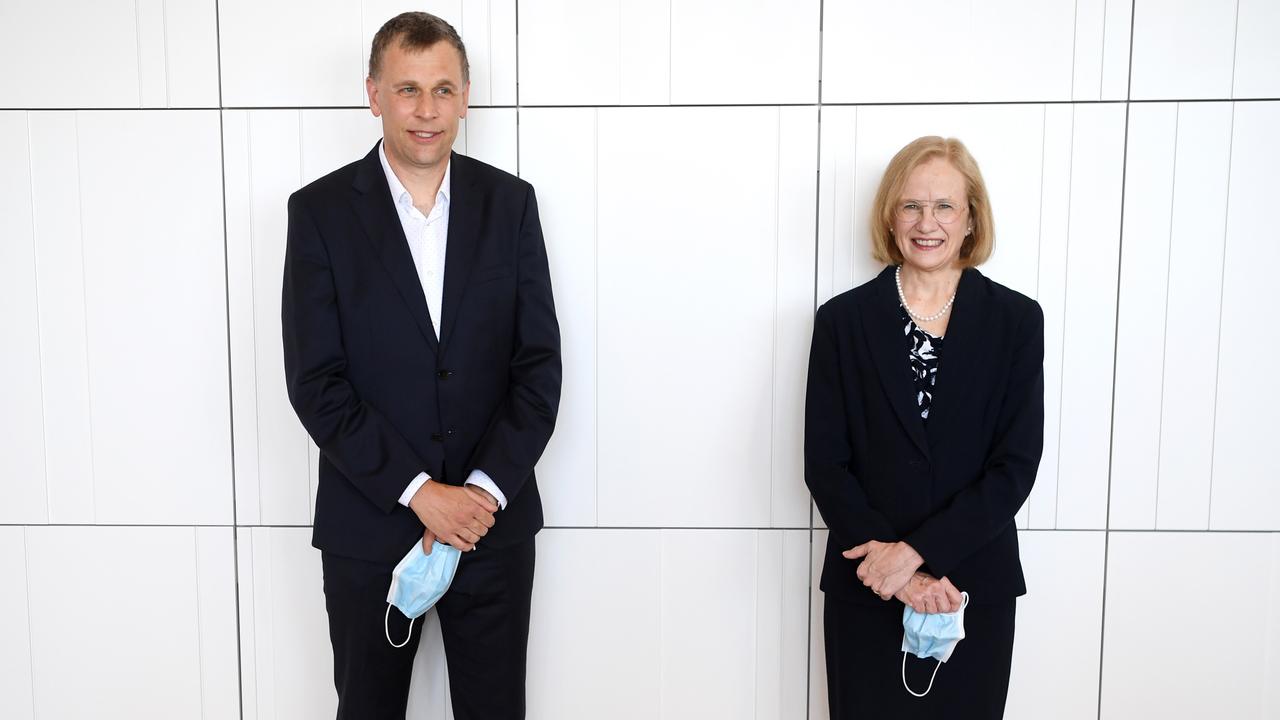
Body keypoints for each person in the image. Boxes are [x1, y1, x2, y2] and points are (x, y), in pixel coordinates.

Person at [281, 11, 561, 719]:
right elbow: (316, 382)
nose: (427, 111)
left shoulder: (512, 205)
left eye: (443, 89)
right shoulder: (317, 214)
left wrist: (479, 493)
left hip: (491, 527)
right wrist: (418, 492)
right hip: (368, 531)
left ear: (466, 94)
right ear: (373, 93)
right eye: (408, 89)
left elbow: (539, 369)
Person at [804, 136, 1043, 718]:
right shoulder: (843, 321)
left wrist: (916, 554)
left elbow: (1013, 468)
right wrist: (895, 574)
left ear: (970, 220)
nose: (926, 222)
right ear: (890, 215)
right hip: (869, 585)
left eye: (944, 206)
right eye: (911, 205)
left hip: (973, 587)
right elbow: (825, 465)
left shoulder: (1015, 321)